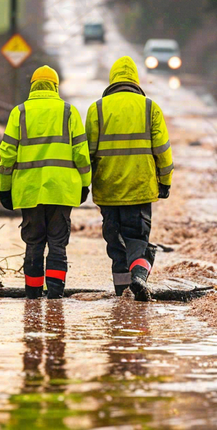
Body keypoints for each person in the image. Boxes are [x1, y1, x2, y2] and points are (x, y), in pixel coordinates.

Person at [0, 65, 91, 299]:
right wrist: (84, 184)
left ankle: (32, 297)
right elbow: (81, 154)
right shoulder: (69, 112)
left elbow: (7, 154)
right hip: (62, 190)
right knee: (58, 244)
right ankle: (55, 298)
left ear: (33, 86)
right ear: (55, 87)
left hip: (29, 191)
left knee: (34, 243)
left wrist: (5, 188)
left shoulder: (19, 112)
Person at [85, 56, 174, 301]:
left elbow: (87, 154)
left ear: (112, 79)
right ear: (136, 79)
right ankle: (139, 277)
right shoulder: (150, 107)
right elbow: (163, 152)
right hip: (140, 189)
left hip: (108, 190)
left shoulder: (97, 109)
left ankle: (121, 299)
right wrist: (165, 181)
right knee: (138, 240)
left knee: (116, 246)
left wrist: (83, 185)